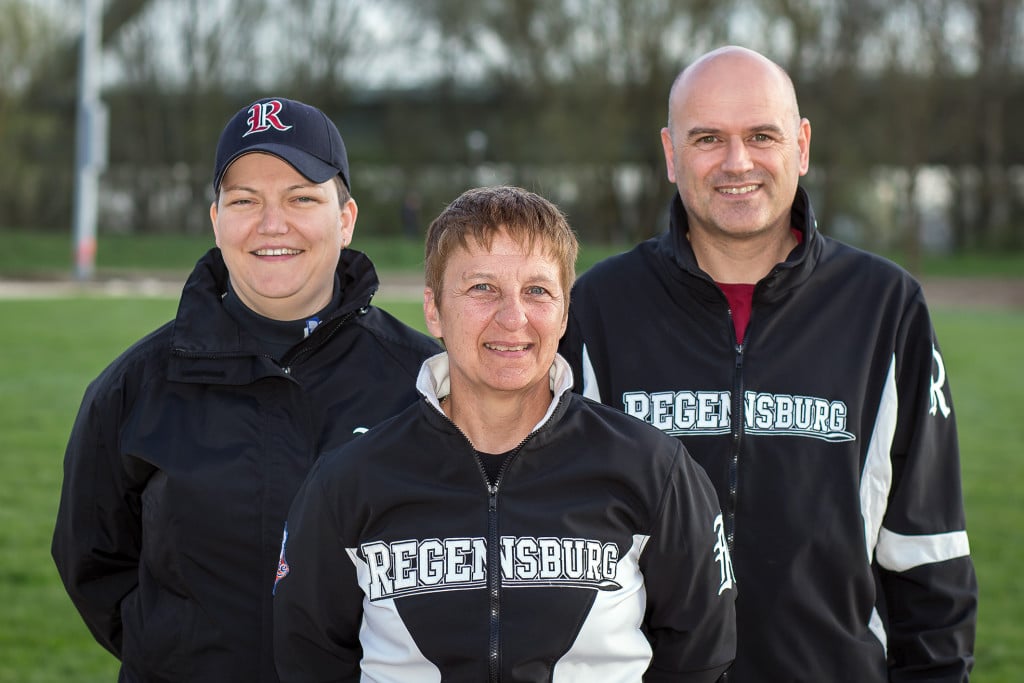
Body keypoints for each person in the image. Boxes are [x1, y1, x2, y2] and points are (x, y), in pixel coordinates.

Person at [559, 46, 978, 681]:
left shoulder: (885, 308)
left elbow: (929, 558)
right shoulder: (598, 308)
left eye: (762, 135)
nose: (737, 162)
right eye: (708, 139)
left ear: (801, 145)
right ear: (671, 154)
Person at [273, 185, 737, 682]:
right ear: (434, 310)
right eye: (482, 288)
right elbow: (310, 657)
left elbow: (699, 654)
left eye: (537, 290)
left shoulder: (652, 469)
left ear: (563, 312)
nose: (513, 317)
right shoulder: (350, 479)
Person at [51, 97, 441, 682]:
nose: (271, 223)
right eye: (245, 201)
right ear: (216, 221)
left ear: (346, 218)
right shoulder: (136, 387)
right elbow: (94, 562)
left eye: (301, 197)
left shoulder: (427, 382)